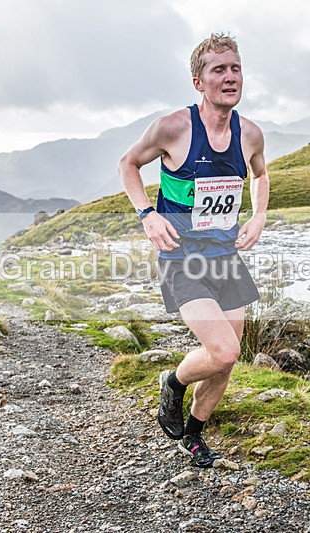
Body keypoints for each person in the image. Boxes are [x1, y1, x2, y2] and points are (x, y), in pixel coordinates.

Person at [118, 33, 269, 467]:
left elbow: (260, 176)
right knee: (223, 351)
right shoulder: (174, 128)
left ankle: (194, 435)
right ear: (198, 82)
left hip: (226, 258)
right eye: (218, 70)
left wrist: (258, 216)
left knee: (224, 364)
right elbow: (128, 163)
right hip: (182, 258)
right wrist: (147, 213)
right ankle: (173, 382)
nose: (229, 77)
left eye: (235, 68)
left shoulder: (250, 134)